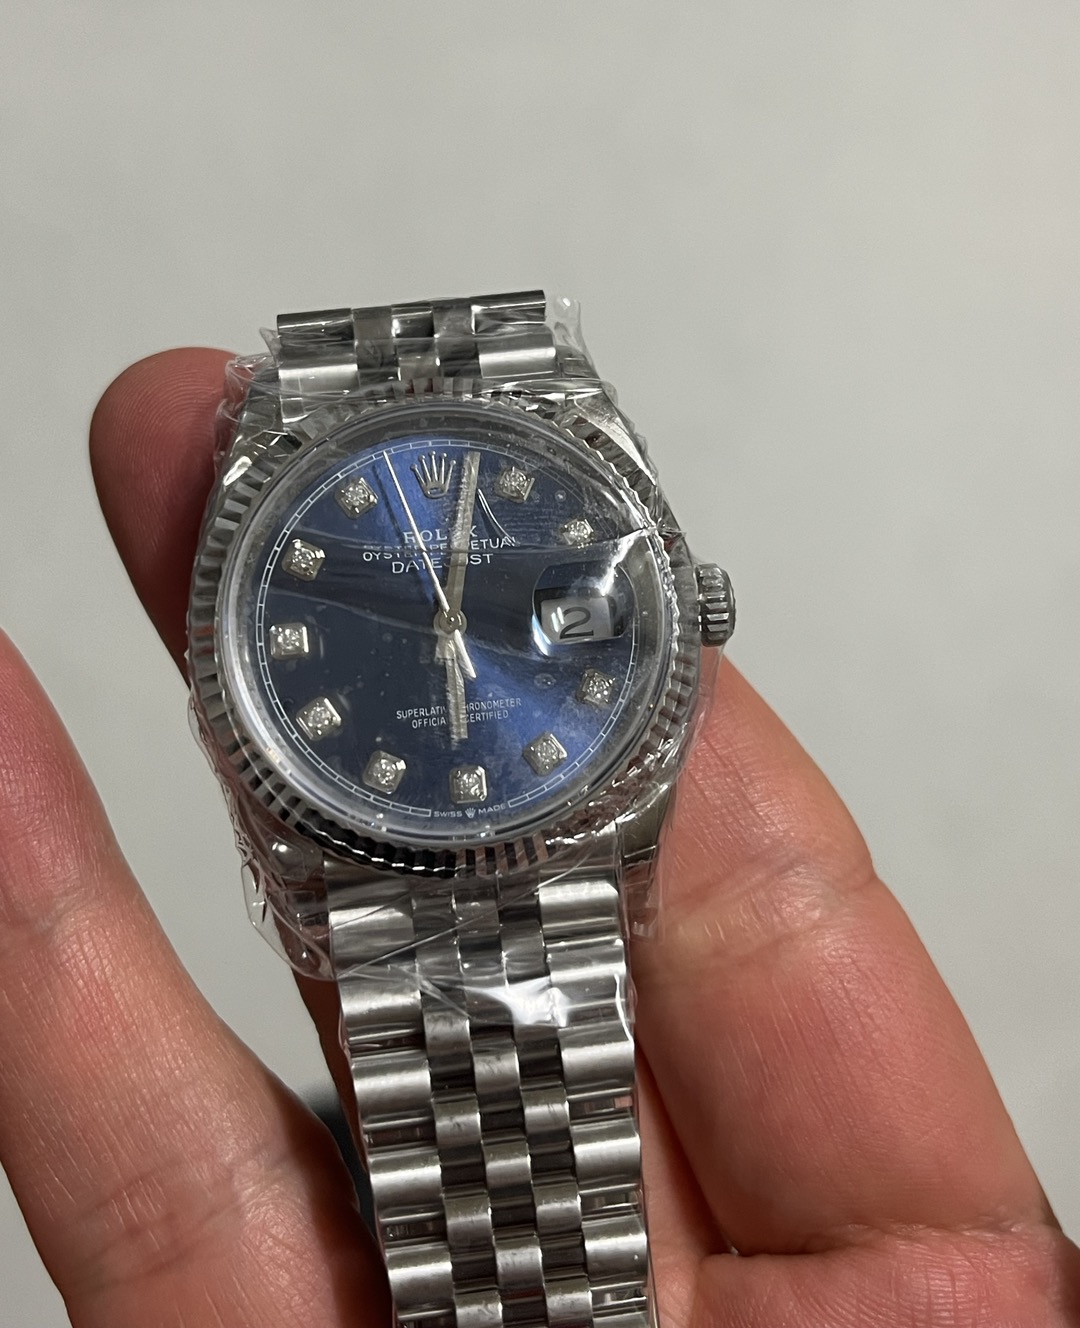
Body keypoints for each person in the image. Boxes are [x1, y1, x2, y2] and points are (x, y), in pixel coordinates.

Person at [0, 346, 1076, 1328]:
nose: (450, 627)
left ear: (691, 606)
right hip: (368, 862)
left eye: (457, 616)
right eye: (442, 618)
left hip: (540, 841)